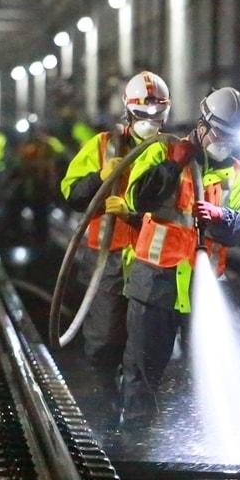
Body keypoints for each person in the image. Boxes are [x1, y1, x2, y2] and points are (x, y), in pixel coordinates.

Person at [120, 87, 240, 429]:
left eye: (231, 136)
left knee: (203, 373)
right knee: (142, 370)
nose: (224, 142)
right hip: (155, 281)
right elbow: (137, 199)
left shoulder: (237, 172)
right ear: (203, 124)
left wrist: (220, 216)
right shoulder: (162, 151)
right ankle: (135, 440)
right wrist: (173, 164)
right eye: (220, 133)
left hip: (201, 286)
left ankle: (193, 442)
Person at [60, 71, 173, 421]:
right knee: (104, 339)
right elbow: (71, 192)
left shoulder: (171, 150)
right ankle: (103, 409)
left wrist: (136, 213)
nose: (150, 124)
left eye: (157, 117)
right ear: (129, 111)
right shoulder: (101, 146)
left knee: (143, 347)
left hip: (149, 257)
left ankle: (135, 417)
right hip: (106, 257)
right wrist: (100, 176)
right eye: (144, 117)